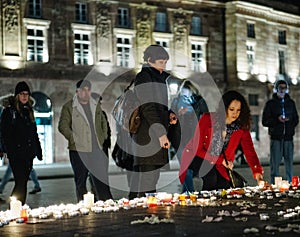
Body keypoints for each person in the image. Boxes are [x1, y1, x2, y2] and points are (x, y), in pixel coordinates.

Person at [179, 90, 264, 191]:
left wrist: (257, 171)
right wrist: (220, 161)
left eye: (238, 110)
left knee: (223, 185)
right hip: (199, 156)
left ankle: (219, 205)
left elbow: (249, 151)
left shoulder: (240, 128)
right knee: (211, 178)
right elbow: (197, 149)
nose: (235, 113)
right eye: (232, 109)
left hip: (221, 162)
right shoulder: (207, 119)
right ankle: (207, 203)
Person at [130, 45, 177, 198]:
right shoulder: (144, 77)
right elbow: (148, 108)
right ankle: (143, 215)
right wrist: (162, 134)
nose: (163, 66)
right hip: (147, 136)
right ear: (150, 60)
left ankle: (147, 212)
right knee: (147, 179)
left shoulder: (157, 78)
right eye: (161, 62)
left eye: (165, 62)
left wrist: (168, 114)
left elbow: (157, 106)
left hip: (153, 135)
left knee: (151, 179)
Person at [58, 79, 113, 202]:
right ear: (77, 92)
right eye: (83, 90)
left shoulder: (95, 105)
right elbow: (63, 126)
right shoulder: (69, 106)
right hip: (79, 150)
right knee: (81, 180)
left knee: (101, 179)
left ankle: (106, 202)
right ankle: (84, 206)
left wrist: (102, 137)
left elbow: (103, 122)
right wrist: (74, 139)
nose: (86, 93)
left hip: (96, 148)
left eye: (88, 90)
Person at [0, 81, 43, 204]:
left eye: (26, 94)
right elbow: (5, 133)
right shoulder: (9, 111)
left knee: (23, 182)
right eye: (22, 94)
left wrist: (38, 150)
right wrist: (10, 150)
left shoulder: (28, 111)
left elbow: (34, 133)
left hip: (28, 153)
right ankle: (16, 207)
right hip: (16, 153)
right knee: (20, 181)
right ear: (17, 95)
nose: (24, 96)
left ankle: (18, 206)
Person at [170, 80, 208, 193]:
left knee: (190, 166)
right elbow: (170, 117)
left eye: (188, 90)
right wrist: (177, 115)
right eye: (183, 90)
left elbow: (206, 116)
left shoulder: (198, 101)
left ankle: (187, 191)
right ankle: (188, 191)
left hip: (194, 137)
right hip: (179, 138)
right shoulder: (176, 101)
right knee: (185, 165)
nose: (185, 92)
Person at [262, 79, 299, 184]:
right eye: (280, 88)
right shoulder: (270, 104)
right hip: (276, 138)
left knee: (289, 164)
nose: (282, 90)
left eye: (284, 88)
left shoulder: (291, 103)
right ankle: (275, 185)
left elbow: (296, 119)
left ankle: (291, 184)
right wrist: (276, 120)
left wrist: (289, 123)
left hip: (288, 138)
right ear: (276, 89)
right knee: (275, 164)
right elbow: (265, 121)